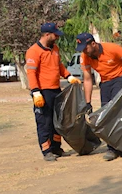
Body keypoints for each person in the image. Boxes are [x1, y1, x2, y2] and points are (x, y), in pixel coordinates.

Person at [76, 32, 122, 161]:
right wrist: (88, 103)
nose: (84, 52)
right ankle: (113, 147)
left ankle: (120, 147)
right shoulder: (85, 57)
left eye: (85, 48)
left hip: (120, 78)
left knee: (115, 112)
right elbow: (87, 79)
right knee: (105, 114)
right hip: (105, 83)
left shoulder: (111, 48)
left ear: (93, 44)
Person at [26, 23, 81, 162]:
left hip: (56, 90)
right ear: (47, 35)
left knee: (58, 120)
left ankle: (56, 147)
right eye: (55, 35)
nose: (57, 37)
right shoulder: (33, 51)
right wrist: (35, 92)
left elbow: (59, 65)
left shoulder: (55, 48)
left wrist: (68, 76)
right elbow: (31, 73)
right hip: (43, 92)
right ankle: (47, 151)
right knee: (44, 122)